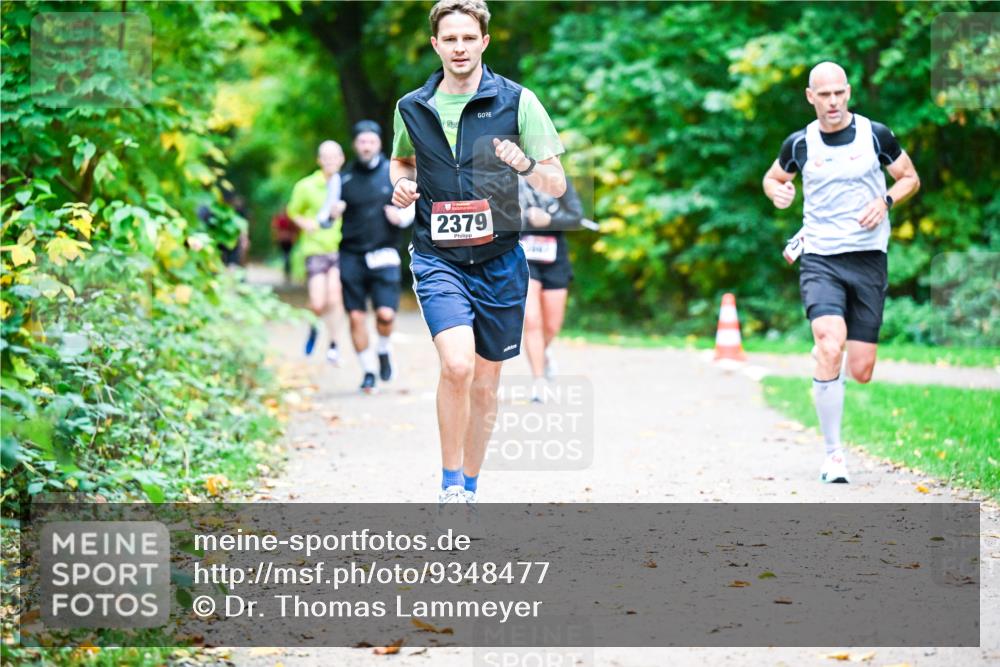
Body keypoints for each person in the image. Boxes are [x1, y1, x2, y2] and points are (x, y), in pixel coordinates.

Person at [390, 0, 567, 505]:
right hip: (437, 256)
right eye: (450, 39)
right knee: (458, 366)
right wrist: (402, 187)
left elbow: (556, 184)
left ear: (484, 42)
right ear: (436, 45)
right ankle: (449, 488)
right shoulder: (412, 106)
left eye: (469, 38)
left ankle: (470, 485)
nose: (460, 47)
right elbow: (401, 162)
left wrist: (527, 163)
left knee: (486, 384)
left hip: (500, 261)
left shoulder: (517, 101)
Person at [762, 61, 920, 484]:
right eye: (823, 95)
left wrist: (886, 200)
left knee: (861, 370)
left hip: (868, 258)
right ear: (810, 97)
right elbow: (772, 178)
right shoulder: (800, 143)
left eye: (839, 93)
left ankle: (831, 364)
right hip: (821, 258)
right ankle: (834, 455)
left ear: (848, 93)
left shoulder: (876, 135)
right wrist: (777, 191)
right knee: (830, 345)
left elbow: (909, 178)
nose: (832, 102)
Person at [337, 120, 414, 393]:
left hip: (385, 252)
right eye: (361, 141)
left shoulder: (393, 174)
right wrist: (331, 213)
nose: (366, 146)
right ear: (355, 145)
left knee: (385, 315)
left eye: (371, 141)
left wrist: (400, 217)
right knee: (356, 317)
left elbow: (411, 210)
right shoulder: (343, 178)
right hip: (351, 254)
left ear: (379, 144)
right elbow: (323, 217)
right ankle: (368, 371)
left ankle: (383, 349)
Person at [518, 176, 584, 401]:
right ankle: (539, 381)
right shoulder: (508, 179)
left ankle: (543, 353)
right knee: (532, 320)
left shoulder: (558, 180)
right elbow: (498, 216)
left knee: (552, 325)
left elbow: (576, 217)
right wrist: (526, 218)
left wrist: (549, 220)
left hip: (555, 258)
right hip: (524, 257)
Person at [288, 141, 346, 364]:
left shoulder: (345, 184)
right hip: (314, 249)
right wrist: (306, 224)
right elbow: (294, 212)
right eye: (326, 157)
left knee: (335, 296)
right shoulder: (306, 186)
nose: (331, 161)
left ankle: (334, 345)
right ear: (319, 160)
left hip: (338, 248)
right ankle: (314, 327)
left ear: (341, 159)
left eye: (335, 156)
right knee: (317, 302)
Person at [270, 207, 298, 283]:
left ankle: (287, 271)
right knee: (287, 255)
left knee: (286, 255)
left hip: (284, 239)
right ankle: (287, 271)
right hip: (287, 239)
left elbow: (274, 228)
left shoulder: (281, 218)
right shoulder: (289, 218)